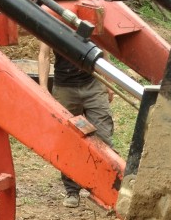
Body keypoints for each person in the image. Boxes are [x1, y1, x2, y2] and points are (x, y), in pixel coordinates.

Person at [38, 43, 114, 208]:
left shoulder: (90, 18)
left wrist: (108, 83)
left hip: (93, 84)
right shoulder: (52, 20)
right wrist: (43, 87)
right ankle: (72, 190)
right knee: (69, 140)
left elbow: (103, 50)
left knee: (103, 136)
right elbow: (44, 54)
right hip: (65, 88)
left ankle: (105, 191)